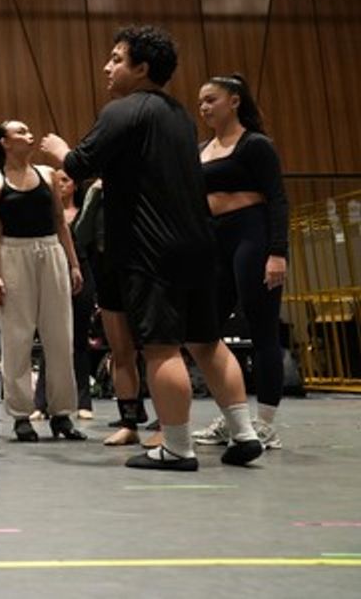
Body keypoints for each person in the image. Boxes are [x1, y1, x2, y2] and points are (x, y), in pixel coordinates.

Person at [40, 25, 263, 471]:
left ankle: (177, 447)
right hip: (198, 245)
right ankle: (245, 434)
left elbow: (81, 163)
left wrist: (59, 149)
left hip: (151, 248)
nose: (108, 66)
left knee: (160, 347)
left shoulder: (123, 110)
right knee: (207, 342)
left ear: (142, 68)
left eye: (117, 59)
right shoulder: (178, 114)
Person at [193, 74, 289, 451]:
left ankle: (264, 423)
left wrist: (276, 252)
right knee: (204, 331)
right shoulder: (200, 149)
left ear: (234, 101)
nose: (203, 107)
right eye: (200, 101)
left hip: (253, 234)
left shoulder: (256, 145)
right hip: (215, 238)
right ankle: (233, 416)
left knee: (262, 329)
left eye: (211, 99)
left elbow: (278, 199)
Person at [0, 121, 86, 443]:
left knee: (60, 336)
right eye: (21, 131)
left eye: (29, 130)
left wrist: (74, 264)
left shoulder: (48, 174)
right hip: (13, 253)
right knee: (16, 337)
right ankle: (21, 415)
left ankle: (63, 413)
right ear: (4, 142)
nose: (30, 134)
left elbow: (59, 221)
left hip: (50, 249)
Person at [33, 171, 97, 421]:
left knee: (79, 340)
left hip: (81, 273)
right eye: (56, 180)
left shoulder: (83, 213)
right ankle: (41, 402)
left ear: (75, 186)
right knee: (49, 339)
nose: (59, 185)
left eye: (65, 180)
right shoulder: (46, 216)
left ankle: (83, 401)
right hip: (51, 273)